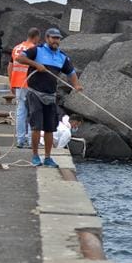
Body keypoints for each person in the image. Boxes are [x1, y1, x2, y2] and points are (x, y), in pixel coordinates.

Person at [16, 28, 82, 167]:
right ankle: (35, 156)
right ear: (46, 38)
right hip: (35, 93)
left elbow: (71, 72)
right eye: (53, 38)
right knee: (36, 126)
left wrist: (76, 85)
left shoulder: (62, 57)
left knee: (49, 128)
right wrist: (36, 65)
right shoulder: (37, 50)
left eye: (58, 38)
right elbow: (19, 58)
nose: (55, 41)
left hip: (51, 95)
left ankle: (47, 157)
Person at [8, 28, 41, 148]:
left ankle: (20, 140)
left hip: (18, 83)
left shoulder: (16, 48)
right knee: (33, 112)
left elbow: (10, 66)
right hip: (31, 84)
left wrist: (11, 82)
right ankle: (32, 141)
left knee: (21, 112)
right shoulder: (34, 50)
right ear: (36, 37)